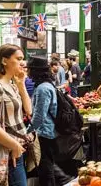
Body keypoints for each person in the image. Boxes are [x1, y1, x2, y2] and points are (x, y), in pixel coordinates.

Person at [0, 44, 32, 186]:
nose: (23, 63)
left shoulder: (12, 84)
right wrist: (14, 145)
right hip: (6, 152)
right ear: (4, 61)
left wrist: (21, 85)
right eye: (18, 58)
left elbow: (29, 110)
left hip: (17, 150)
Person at [28, 56, 73, 186]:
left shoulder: (43, 89)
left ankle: (64, 179)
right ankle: (64, 179)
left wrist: (28, 132)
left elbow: (39, 116)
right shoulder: (47, 85)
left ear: (36, 71)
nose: (28, 72)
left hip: (45, 132)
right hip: (49, 131)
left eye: (29, 69)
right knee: (47, 164)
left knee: (45, 167)